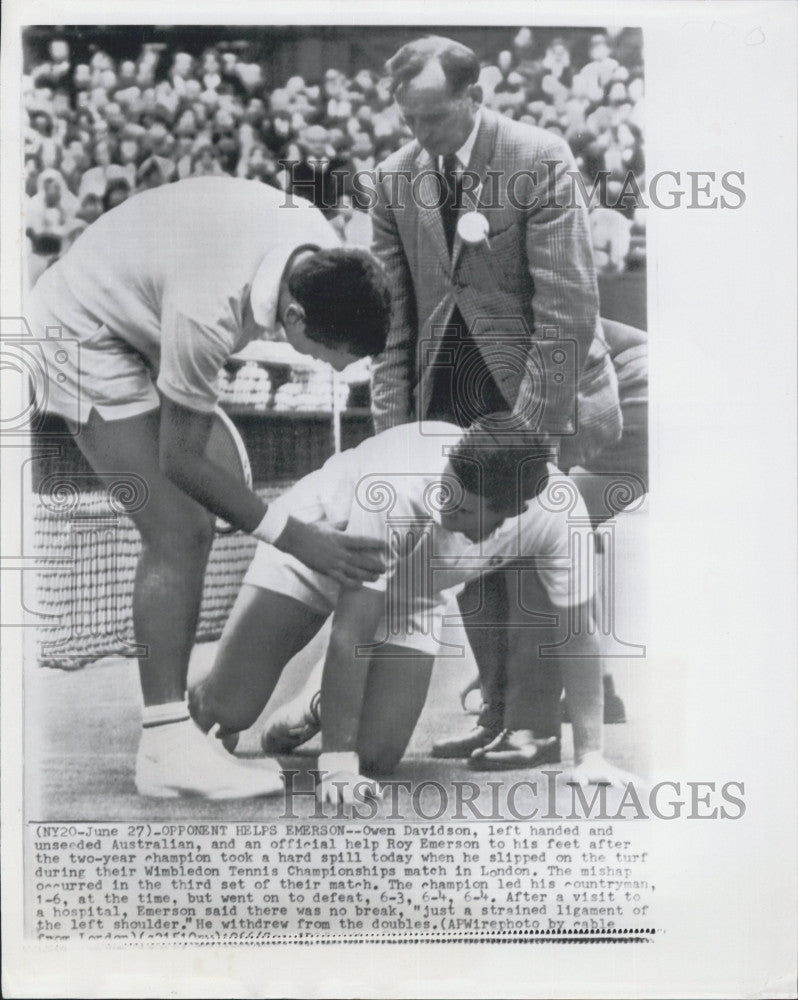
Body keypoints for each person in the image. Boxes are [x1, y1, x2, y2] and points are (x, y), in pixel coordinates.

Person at [26, 176, 391, 799]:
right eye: (333, 353)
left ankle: (175, 736)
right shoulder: (207, 305)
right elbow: (181, 460)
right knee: (179, 530)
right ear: (296, 316)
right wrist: (296, 538)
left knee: (189, 525)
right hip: (79, 329)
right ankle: (165, 749)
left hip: (143, 307)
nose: (340, 369)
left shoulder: (313, 238)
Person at [367, 36, 624, 765]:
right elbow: (394, 322)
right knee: (459, 540)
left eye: (436, 119)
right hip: (442, 392)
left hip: (538, 386)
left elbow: (569, 309)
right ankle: (499, 711)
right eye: (410, 121)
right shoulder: (393, 178)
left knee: (531, 547)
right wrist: (394, 436)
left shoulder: (538, 156)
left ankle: (537, 727)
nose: (422, 136)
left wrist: (532, 434)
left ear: (474, 98)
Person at [191, 418, 633, 810]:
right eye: (446, 491)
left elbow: (578, 633)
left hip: (418, 585)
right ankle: (196, 701)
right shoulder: (398, 482)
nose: (444, 507)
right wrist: (338, 765)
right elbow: (353, 632)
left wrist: (590, 754)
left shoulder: (559, 513)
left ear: (512, 513)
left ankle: (318, 702)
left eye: (462, 510)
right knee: (228, 710)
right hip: (319, 546)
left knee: (378, 755)